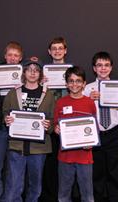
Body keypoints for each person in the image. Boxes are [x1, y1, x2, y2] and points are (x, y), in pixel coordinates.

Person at [3, 57, 55, 202]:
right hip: (17, 145)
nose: (33, 73)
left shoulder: (48, 94)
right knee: (14, 185)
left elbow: (52, 118)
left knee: (35, 186)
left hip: (39, 148)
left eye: (36, 71)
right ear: (24, 72)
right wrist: (6, 119)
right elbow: (5, 112)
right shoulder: (13, 93)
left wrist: (48, 125)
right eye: (29, 70)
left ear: (41, 74)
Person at [83, 51, 118, 202]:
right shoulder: (87, 89)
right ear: (94, 68)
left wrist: (115, 118)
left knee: (114, 172)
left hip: (112, 133)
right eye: (99, 65)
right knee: (96, 174)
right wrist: (89, 101)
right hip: (95, 134)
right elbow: (82, 109)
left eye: (106, 65)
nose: (103, 68)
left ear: (111, 68)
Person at [54, 66, 96, 202]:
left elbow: (94, 128)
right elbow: (55, 124)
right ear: (66, 84)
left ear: (84, 84)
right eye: (71, 81)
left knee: (88, 196)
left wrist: (91, 142)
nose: (74, 84)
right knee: (63, 195)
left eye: (78, 81)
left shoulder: (90, 103)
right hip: (65, 157)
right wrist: (56, 129)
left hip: (85, 157)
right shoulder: (60, 102)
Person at [0, 41, 23, 202]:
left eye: (16, 55)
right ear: (5, 56)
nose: (12, 58)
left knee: (14, 170)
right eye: (10, 55)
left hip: (18, 128)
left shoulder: (25, 74)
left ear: (20, 58)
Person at [41, 36, 69, 201]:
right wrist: (41, 82)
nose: (57, 51)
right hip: (49, 120)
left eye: (61, 48)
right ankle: (49, 196)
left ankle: (63, 196)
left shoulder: (71, 71)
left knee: (65, 162)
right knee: (49, 161)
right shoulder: (43, 73)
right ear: (49, 52)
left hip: (67, 121)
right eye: (54, 48)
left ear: (65, 50)